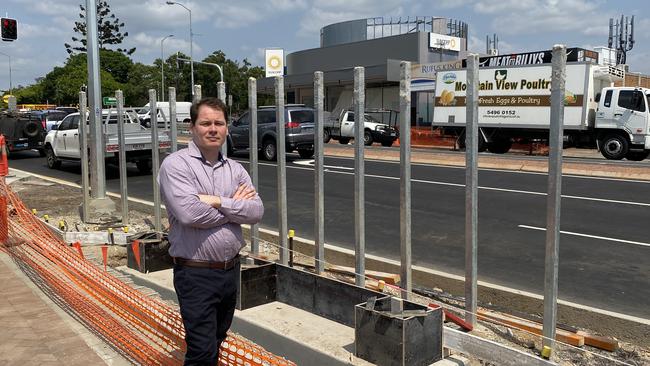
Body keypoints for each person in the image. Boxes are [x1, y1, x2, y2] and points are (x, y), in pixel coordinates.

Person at [158, 97, 264, 365]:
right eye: (205, 123)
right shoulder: (176, 165)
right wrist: (234, 206)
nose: (213, 129)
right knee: (202, 351)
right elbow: (189, 214)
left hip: (230, 272)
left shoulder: (236, 169)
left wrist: (216, 200)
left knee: (217, 339)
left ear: (227, 127)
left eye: (219, 123)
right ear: (192, 127)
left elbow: (256, 212)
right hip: (196, 274)